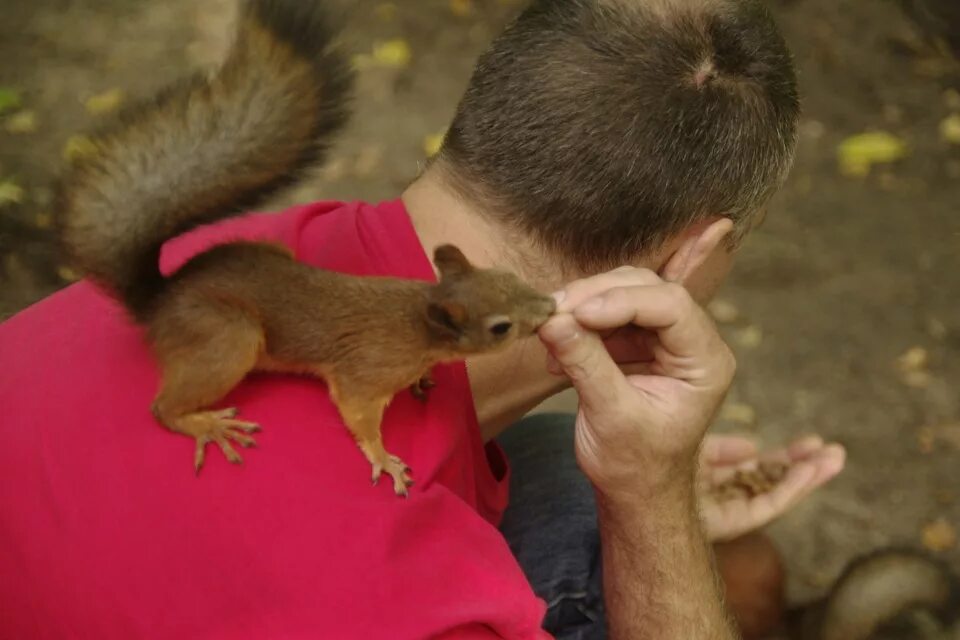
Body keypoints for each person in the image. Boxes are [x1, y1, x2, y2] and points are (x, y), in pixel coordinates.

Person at [0, 0, 844, 638]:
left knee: (578, 481)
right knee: (722, 576)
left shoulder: (272, 245)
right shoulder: (409, 598)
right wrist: (653, 501)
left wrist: (642, 489)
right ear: (691, 259)